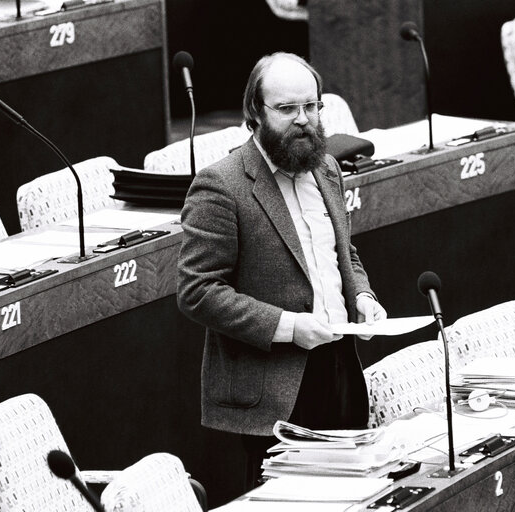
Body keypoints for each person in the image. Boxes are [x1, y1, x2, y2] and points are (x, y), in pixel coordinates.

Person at [176, 52, 387, 490]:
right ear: (255, 114)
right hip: (275, 390)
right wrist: (289, 326)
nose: (304, 121)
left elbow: (341, 251)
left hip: (340, 365)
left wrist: (362, 298)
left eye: (311, 107)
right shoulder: (221, 184)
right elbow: (197, 290)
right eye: (287, 109)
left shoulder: (326, 167)